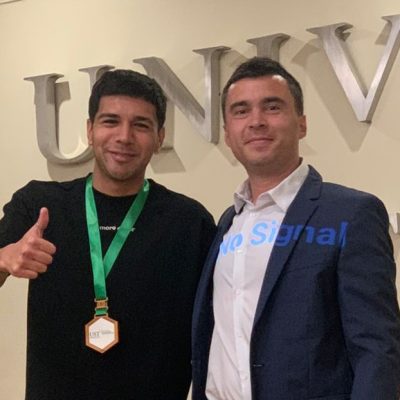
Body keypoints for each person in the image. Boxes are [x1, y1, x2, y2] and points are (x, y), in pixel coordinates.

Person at [191, 57, 400, 400]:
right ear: (227, 134)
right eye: (241, 111)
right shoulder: (229, 221)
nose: (256, 121)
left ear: (301, 124)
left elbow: (377, 349)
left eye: (272, 107)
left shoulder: (351, 214)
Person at [0, 69, 216, 400]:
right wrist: (5, 258)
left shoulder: (189, 222)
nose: (124, 136)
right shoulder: (40, 205)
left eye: (140, 125)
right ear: (90, 130)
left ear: (160, 137)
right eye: (110, 121)